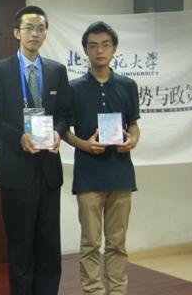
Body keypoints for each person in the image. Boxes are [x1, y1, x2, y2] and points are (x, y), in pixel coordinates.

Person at [0, 5, 72, 294]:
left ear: (45, 33)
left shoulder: (57, 71)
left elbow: (65, 113)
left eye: (41, 28)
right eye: (29, 28)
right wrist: (19, 138)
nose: (35, 33)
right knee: (21, 246)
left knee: (49, 245)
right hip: (16, 169)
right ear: (16, 33)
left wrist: (58, 132)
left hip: (48, 170)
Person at [63, 21, 140, 295]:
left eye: (105, 45)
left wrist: (132, 140)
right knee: (90, 243)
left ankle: (118, 290)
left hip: (121, 175)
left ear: (114, 48)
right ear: (85, 51)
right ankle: (94, 291)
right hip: (89, 177)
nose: (100, 50)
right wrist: (83, 145)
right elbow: (63, 130)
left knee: (117, 243)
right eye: (93, 46)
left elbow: (133, 125)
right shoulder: (73, 88)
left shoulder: (128, 85)